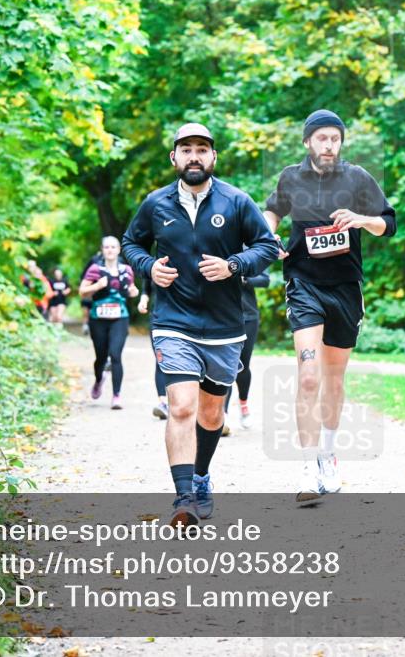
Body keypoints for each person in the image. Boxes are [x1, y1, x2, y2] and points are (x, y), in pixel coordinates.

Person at [123, 122, 279, 527]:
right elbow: (131, 243)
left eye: (202, 149)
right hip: (173, 319)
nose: (194, 156)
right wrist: (148, 266)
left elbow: (267, 248)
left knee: (211, 416)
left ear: (213, 158)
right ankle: (184, 498)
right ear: (174, 157)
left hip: (225, 324)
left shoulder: (237, 201)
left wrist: (233, 266)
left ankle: (202, 474)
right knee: (181, 407)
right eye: (186, 149)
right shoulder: (156, 203)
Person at [262, 109, 396, 503]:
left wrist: (361, 219)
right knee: (308, 376)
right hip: (303, 282)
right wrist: (269, 235)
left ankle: (328, 454)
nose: (328, 145)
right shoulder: (291, 176)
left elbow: (389, 223)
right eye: (321, 138)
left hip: (345, 287)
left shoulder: (357, 178)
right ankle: (306, 465)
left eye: (334, 139)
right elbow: (272, 209)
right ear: (308, 142)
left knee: (334, 378)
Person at [79, 237, 139, 410]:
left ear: (119, 249)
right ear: (102, 250)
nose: (110, 250)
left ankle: (116, 395)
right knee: (101, 357)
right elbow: (82, 291)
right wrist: (97, 285)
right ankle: (99, 380)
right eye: (107, 247)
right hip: (98, 319)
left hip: (120, 317)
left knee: (115, 355)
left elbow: (132, 289)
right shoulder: (95, 269)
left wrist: (133, 292)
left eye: (113, 247)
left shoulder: (126, 270)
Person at [224, 267, 271, 430]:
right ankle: (223, 414)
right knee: (225, 366)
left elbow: (265, 279)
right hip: (223, 316)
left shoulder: (251, 249)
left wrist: (243, 278)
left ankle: (243, 406)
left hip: (248, 316)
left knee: (243, 365)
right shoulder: (218, 247)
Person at [138, 282, 169, 420]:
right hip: (158, 318)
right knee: (160, 359)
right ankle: (163, 403)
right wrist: (143, 300)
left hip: (186, 320)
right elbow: (147, 289)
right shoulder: (153, 262)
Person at [79, 252, 102, 336]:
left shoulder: (116, 262)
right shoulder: (94, 260)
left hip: (102, 292)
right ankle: (86, 325)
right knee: (86, 309)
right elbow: (83, 276)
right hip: (90, 290)